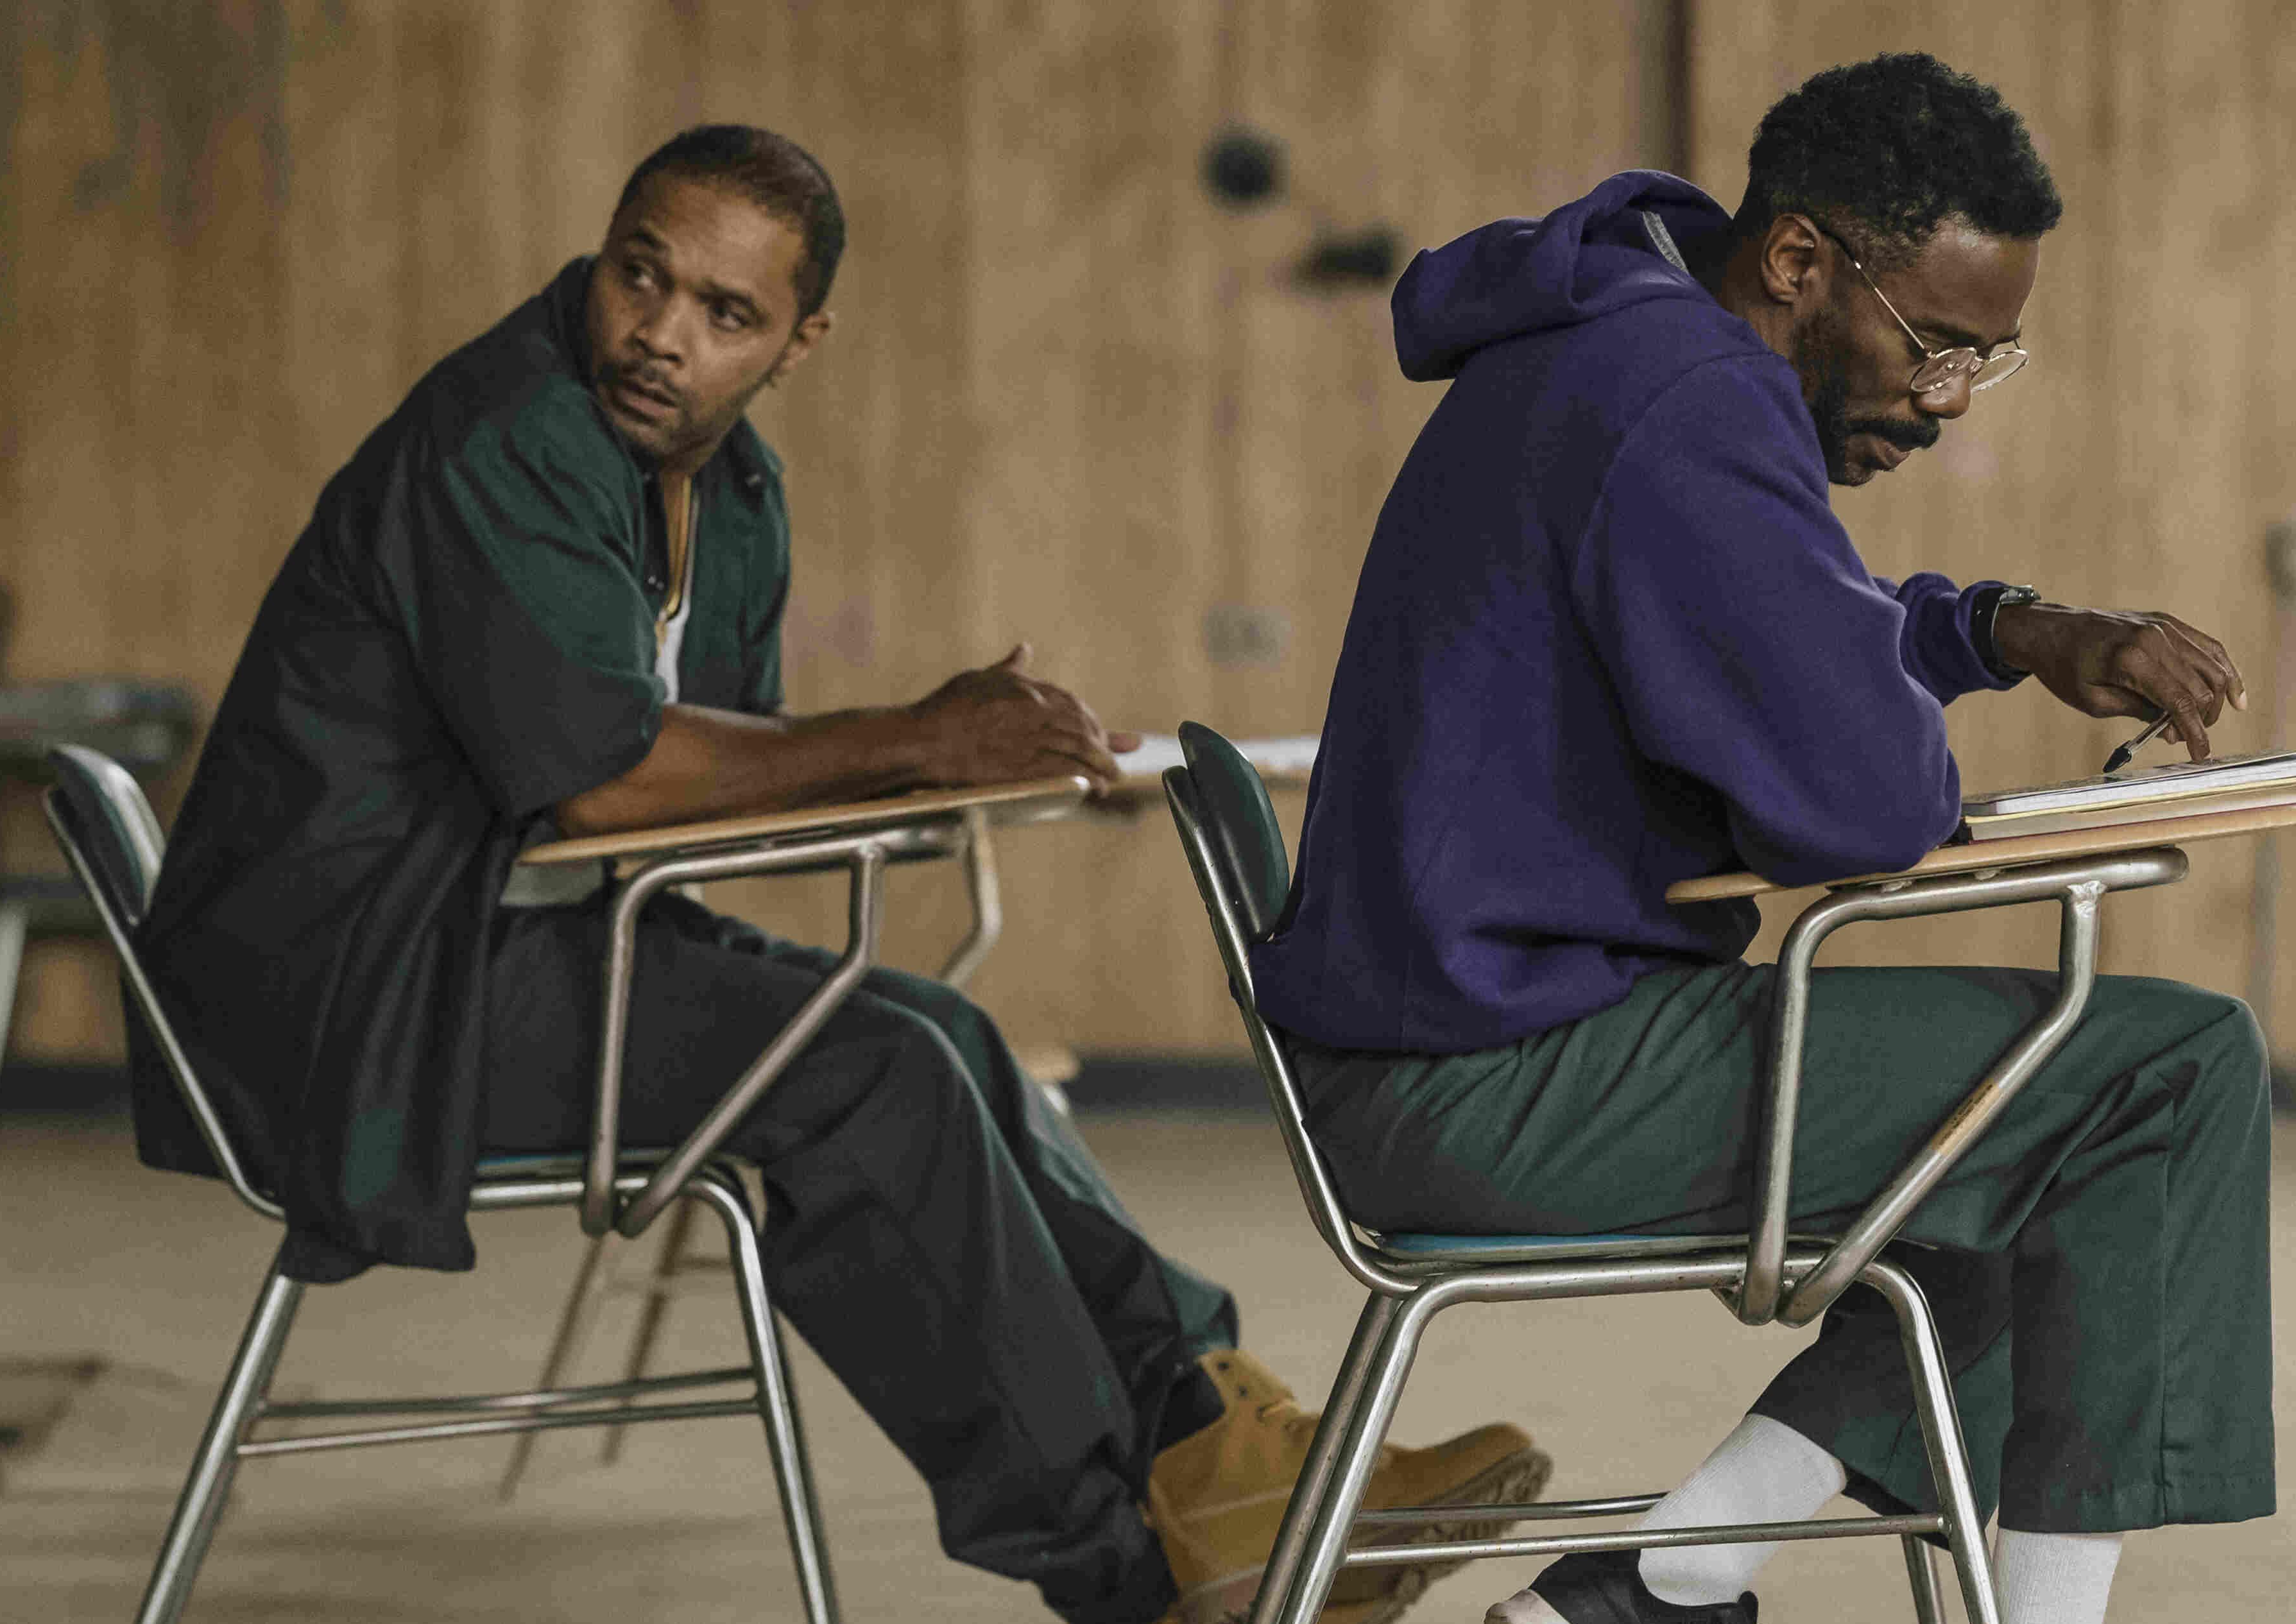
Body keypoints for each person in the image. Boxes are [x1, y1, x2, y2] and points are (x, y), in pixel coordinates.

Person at [129, 124, 1545, 1624]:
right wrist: (919, 744)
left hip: (503, 938)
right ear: (604, 253)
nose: (662, 335)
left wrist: (981, 766)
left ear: (798, 343)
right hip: (350, 994)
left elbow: (710, 785)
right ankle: (1126, 1576)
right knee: (867, 1080)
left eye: (725, 314)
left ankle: (1217, 1442)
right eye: (642, 276)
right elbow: (611, 777)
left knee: (945, 1035)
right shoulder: (509, 436)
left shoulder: (731, 493)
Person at [1248, 55, 2271, 1624]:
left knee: (2026, 1106)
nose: (1943, 398)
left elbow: (1773, 641)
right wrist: (1914, 691)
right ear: (1800, 262)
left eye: (1987, 364)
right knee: (2155, 1079)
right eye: (1936, 345)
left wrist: (2004, 630)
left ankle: (1675, 1574)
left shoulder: (1609, 334)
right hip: (1494, 1075)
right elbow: (1862, 799)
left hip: (1440, 1032)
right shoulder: (1684, 405)